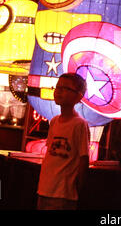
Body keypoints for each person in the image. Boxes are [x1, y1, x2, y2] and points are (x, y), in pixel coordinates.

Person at [36, 72, 90, 210]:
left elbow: (83, 158)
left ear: (78, 96)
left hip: (64, 192)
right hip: (44, 188)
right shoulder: (54, 121)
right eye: (57, 87)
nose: (58, 92)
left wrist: (79, 186)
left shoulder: (79, 124)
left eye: (65, 88)